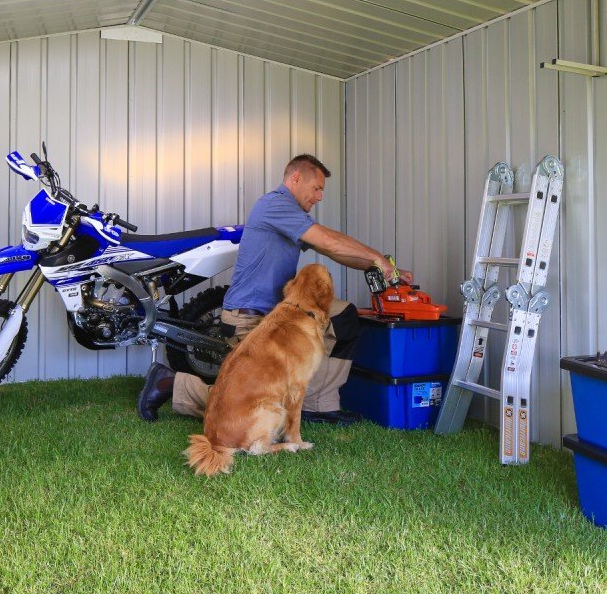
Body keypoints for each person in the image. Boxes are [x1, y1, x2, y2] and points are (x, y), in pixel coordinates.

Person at [137, 154, 413, 426]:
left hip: (280, 316)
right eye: (317, 188)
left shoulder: (294, 217)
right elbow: (331, 242)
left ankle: (318, 404)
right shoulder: (275, 205)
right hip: (249, 318)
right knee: (251, 405)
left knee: (343, 317)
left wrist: (386, 270)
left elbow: (335, 252)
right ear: (296, 178)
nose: (319, 197)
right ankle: (169, 383)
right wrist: (377, 258)